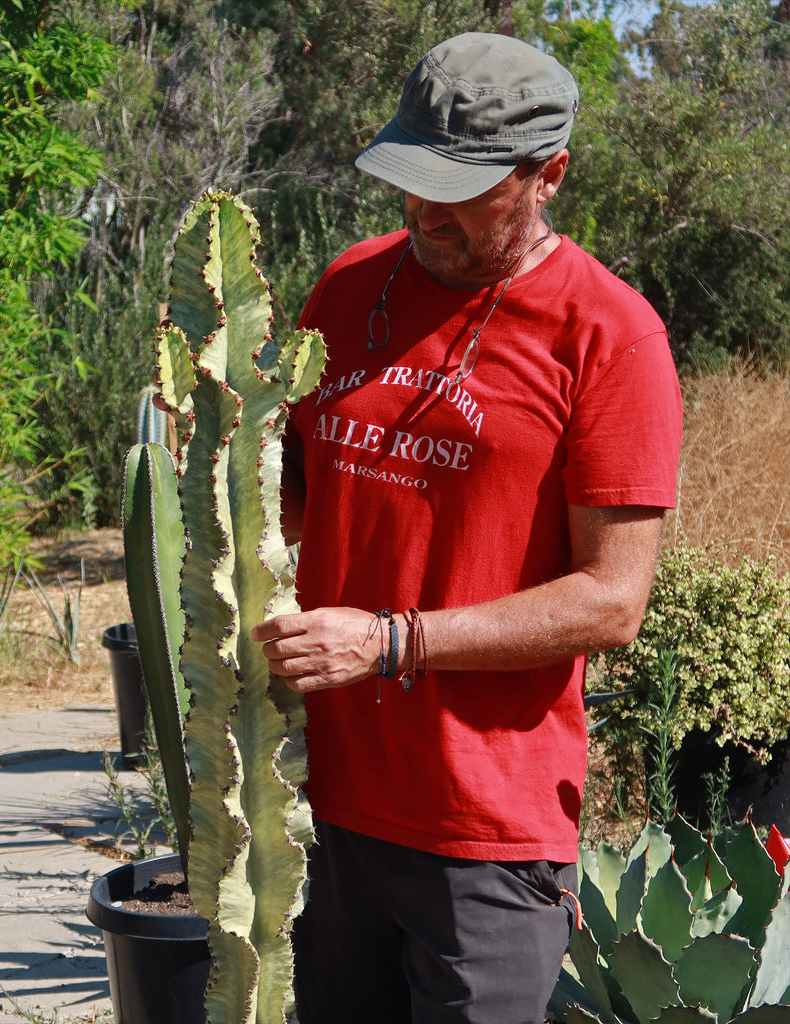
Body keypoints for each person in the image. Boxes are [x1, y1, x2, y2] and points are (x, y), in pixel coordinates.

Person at [250, 31, 683, 1024]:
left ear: (548, 176)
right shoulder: (350, 284)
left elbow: (612, 600)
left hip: (483, 826)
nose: (422, 208)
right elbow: (296, 493)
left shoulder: (609, 337)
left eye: (458, 186)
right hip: (320, 804)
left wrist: (392, 640)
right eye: (410, 176)